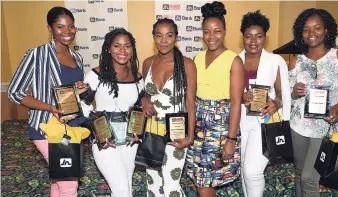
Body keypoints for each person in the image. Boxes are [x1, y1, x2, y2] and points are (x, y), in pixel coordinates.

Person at [7, 6, 87, 197]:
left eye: (71, 26)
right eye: (60, 27)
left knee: (58, 183)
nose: (67, 32)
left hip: (72, 126)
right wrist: (50, 107)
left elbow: (63, 92)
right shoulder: (37, 54)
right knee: (69, 184)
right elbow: (14, 92)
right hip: (47, 126)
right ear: (50, 28)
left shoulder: (77, 57)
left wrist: (77, 90)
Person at [289, 8, 338, 197]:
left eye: (317, 28)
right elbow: (289, 95)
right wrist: (294, 92)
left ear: (327, 30)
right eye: (306, 29)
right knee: (299, 172)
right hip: (298, 125)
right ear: (300, 33)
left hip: (325, 126)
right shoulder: (296, 61)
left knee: (309, 178)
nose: (311, 33)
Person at [185, 1, 244, 196]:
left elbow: (236, 103)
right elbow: (191, 97)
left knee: (205, 182)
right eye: (207, 31)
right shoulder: (197, 58)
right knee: (200, 180)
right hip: (199, 125)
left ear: (225, 31)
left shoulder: (234, 60)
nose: (211, 37)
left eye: (217, 31)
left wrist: (231, 139)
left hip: (220, 129)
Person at [81, 28, 144, 197]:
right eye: (117, 46)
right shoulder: (95, 75)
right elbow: (83, 105)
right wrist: (99, 134)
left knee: (127, 188)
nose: (122, 51)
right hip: (105, 140)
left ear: (133, 49)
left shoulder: (138, 77)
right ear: (108, 48)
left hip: (130, 142)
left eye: (127, 46)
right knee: (122, 189)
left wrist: (138, 131)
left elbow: (139, 108)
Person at [141, 18, 197, 197]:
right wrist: (144, 100)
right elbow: (146, 94)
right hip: (151, 130)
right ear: (154, 38)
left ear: (176, 38)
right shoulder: (148, 63)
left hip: (176, 131)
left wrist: (190, 136)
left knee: (171, 184)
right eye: (159, 35)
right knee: (153, 183)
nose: (163, 40)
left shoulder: (187, 65)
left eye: (169, 35)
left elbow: (190, 103)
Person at [238, 10, 291, 197]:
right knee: (244, 167)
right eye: (248, 36)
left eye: (259, 36)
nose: (253, 41)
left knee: (252, 171)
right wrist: (242, 97)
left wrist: (276, 103)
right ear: (242, 37)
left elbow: (283, 93)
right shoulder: (235, 61)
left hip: (265, 122)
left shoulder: (275, 61)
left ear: (265, 38)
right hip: (240, 121)